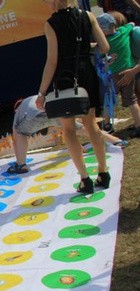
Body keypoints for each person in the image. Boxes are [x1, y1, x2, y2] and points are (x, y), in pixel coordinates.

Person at [36, 0, 111, 194]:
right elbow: (104, 47)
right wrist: (86, 45)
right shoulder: (88, 16)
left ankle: (85, 179)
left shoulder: (51, 24)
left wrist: (41, 93)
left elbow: (51, 62)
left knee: (68, 130)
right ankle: (103, 172)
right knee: (91, 124)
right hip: (86, 73)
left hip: (64, 78)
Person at [10, 95, 127, 175]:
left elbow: (16, 140)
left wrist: (18, 158)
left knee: (21, 133)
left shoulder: (19, 112)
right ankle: (116, 140)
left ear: (16, 109)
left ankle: (21, 165)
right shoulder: (32, 99)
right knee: (78, 129)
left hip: (34, 116)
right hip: (52, 110)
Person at [98, 12, 140, 137]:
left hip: (112, 77)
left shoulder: (103, 44)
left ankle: (107, 126)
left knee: (108, 101)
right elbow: (131, 24)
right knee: (132, 100)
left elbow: (101, 59)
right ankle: (139, 124)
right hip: (128, 72)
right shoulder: (123, 32)